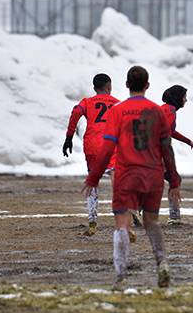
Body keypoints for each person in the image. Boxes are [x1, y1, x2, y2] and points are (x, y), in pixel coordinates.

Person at [83, 65, 181, 288]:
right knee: (151, 222)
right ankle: (162, 263)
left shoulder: (117, 111)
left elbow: (108, 147)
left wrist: (94, 177)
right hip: (153, 174)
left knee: (121, 223)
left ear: (127, 85)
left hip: (127, 174)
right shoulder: (156, 111)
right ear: (147, 86)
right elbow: (167, 148)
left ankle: (121, 276)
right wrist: (174, 180)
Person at [63, 73, 120, 236]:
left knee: (93, 180)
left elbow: (76, 112)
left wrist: (69, 137)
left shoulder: (87, 102)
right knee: (116, 175)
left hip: (92, 144)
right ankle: (123, 210)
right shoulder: (116, 103)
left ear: (95, 88)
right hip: (110, 143)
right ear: (109, 86)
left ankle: (92, 221)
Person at [159, 85, 193, 225]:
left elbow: (170, 131)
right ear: (177, 98)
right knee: (174, 179)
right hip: (158, 151)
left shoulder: (162, 108)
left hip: (145, 150)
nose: (186, 100)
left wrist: (188, 141)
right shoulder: (170, 110)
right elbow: (164, 132)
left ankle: (136, 206)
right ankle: (174, 217)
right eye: (184, 97)